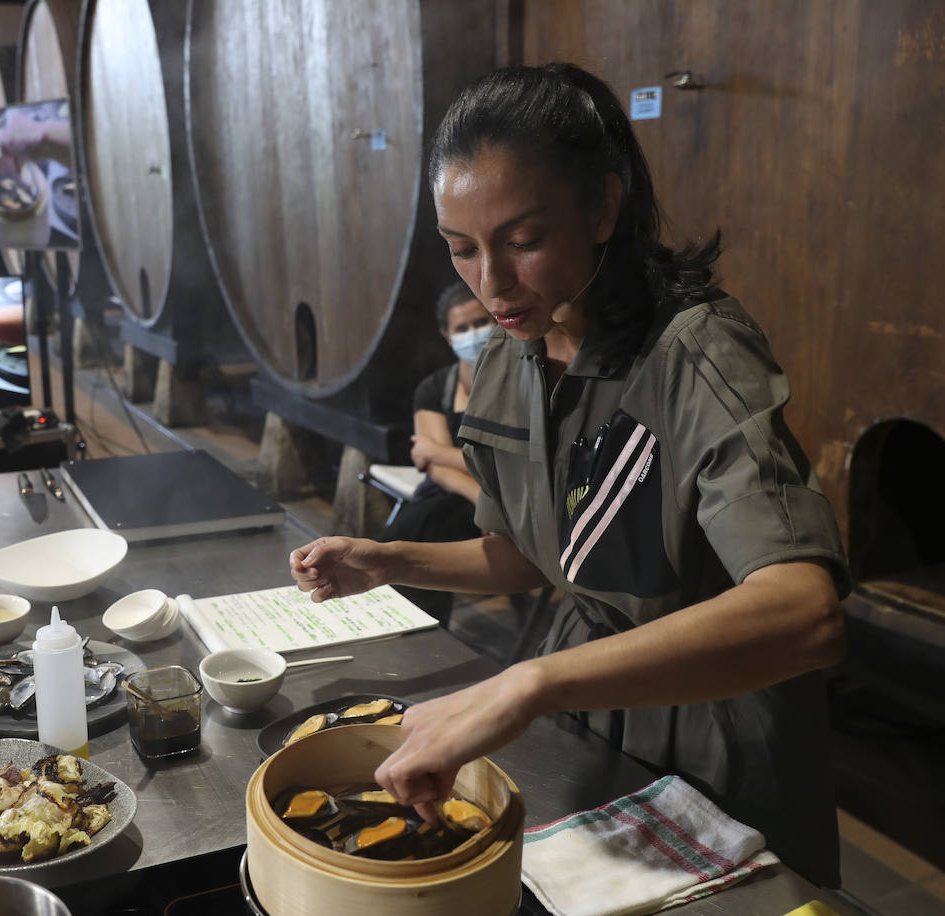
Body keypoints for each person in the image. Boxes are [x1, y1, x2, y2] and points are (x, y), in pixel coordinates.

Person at [289, 63, 848, 886]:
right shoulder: (521, 350)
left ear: (603, 207)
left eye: (523, 241)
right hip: (592, 721)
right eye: (463, 249)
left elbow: (805, 614)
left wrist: (530, 683)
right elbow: (534, 553)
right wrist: (387, 561)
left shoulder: (693, 351)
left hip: (714, 731)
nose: (492, 283)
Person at [376, 280, 493, 620]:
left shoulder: (517, 381)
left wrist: (436, 451)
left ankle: (410, 621)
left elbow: (503, 467)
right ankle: (405, 617)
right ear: (447, 335)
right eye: (463, 328)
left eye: (481, 323)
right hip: (462, 497)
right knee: (429, 519)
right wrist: (480, 497)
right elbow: (437, 470)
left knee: (421, 528)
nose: (473, 334)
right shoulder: (435, 387)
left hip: (503, 498)